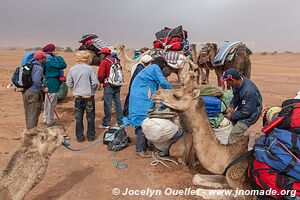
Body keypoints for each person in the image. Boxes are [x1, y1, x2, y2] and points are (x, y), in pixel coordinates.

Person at [123, 56, 172, 158]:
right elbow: (163, 82)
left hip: (141, 96)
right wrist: (173, 92)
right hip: (142, 98)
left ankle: (145, 145)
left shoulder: (150, 68)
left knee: (146, 120)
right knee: (143, 121)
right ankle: (140, 149)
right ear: (162, 65)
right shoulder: (155, 68)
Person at [221, 68, 262, 144]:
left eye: (227, 81)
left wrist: (232, 115)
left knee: (234, 134)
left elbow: (247, 112)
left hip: (250, 114)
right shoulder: (237, 83)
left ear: (232, 80)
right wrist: (231, 106)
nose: (227, 83)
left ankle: (233, 153)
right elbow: (236, 96)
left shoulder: (249, 91)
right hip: (244, 108)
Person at [66, 51, 98, 142]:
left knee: (78, 118)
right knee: (90, 117)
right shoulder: (89, 69)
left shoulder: (72, 69)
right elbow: (95, 83)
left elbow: (68, 83)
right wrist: (92, 91)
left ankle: (80, 137)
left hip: (78, 97)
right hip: (89, 97)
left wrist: (75, 90)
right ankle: (91, 137)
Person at [97, 47, 123, 129]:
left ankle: (106, 123)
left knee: (107, 104)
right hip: (117, 84)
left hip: (108, 85)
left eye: (101, 54)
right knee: (118, 103)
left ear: (103, 54)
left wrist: (102, 82)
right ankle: (120, 122)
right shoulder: (117, 61)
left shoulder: (104, 62)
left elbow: (101, 75)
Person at [42, 44, 67, 126]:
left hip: (47, 81)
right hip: (53, 82)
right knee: (51, 102)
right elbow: (63, 65)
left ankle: (46, 118)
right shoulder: (50, 60)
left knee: (47, 100)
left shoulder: (45, 59)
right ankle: (50, 120)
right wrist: (59, 57)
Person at [22, 51, 46, 129]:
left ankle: (28, 133)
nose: (45, 60)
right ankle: (31, 135)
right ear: (41, 59)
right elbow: (36, 81)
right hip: (34, 93)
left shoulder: (28, 66)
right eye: (44, 58)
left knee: (28, 114)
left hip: (25, 92)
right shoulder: (39, 68)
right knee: (33, 115)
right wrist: (43, 88)